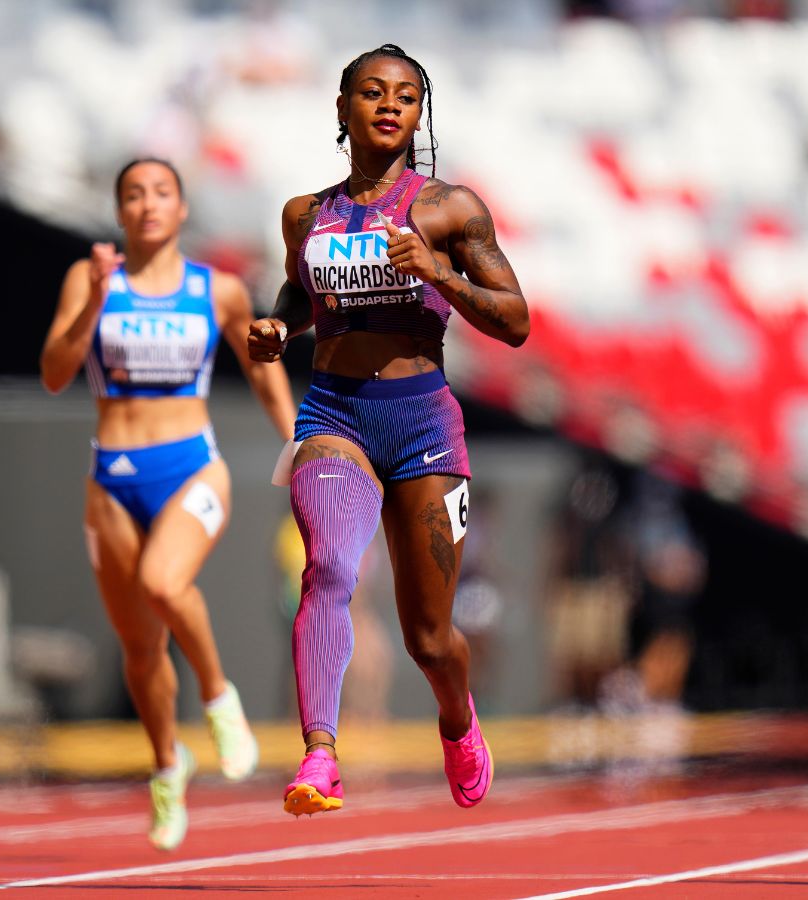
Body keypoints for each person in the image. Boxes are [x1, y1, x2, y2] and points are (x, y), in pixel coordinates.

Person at [247, 43, 529, 816]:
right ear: (342, 109)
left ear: (418, 114)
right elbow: (301, 290)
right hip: (334, 412)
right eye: (371, 92)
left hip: (423, 428)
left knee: (430, 640)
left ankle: (458, 720)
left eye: (404, 95)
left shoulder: (449, 210)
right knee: (329, 569)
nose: (388, 105)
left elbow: (517, 322)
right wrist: (280, 324)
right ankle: (320, 755)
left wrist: (438, 272)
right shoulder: (305, 214)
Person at [40, 158, 297, 850]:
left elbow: (263, 371)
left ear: (182, 210)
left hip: (190, 466)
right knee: (140, 645)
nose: (148, 205)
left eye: (161, 193)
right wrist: (93, 302)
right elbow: (56, 374)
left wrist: (300, 443)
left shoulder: (218, 291)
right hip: (113, 477)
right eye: (133, 194)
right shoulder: (92, 281)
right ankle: (165, 766)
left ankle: (218, 699)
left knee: (163, 583)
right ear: (119, 212)